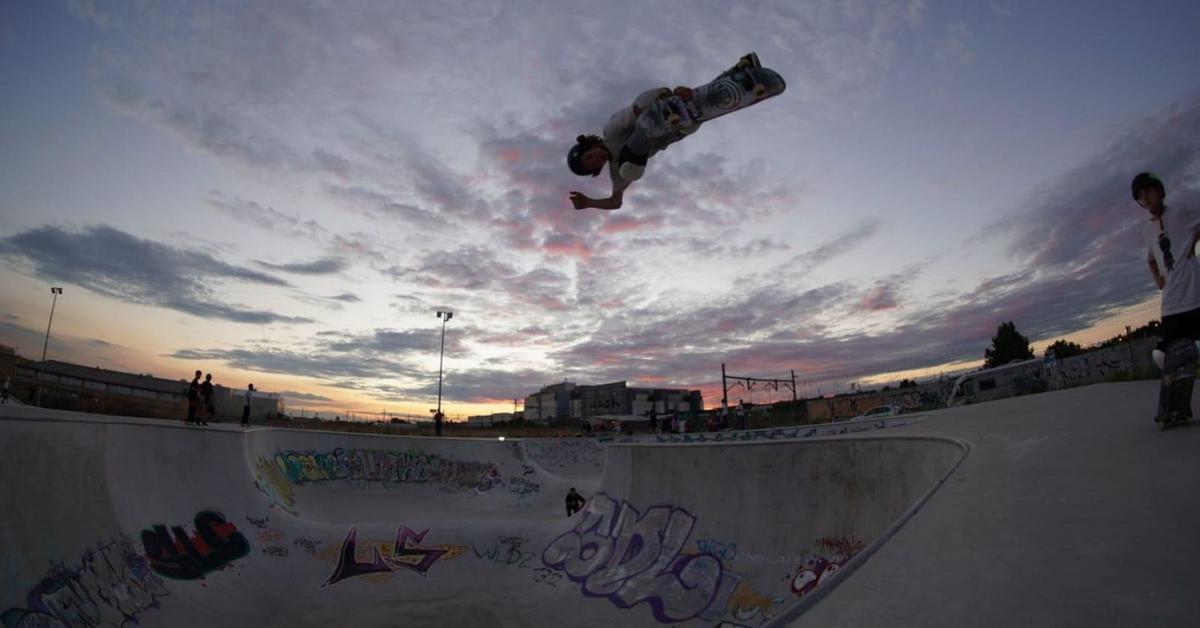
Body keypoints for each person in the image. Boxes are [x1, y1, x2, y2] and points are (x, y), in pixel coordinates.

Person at [567, 53, 762, 211]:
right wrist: (589, 203)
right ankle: (740, 70)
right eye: (593, 163)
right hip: (678, 129)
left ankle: (667, 108)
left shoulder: (611, 131)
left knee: (638, 128)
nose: (597, 158)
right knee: (705, 102)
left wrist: (664, 103)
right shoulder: (616, 171)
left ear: (590, 146)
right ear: (596, 169)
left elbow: (634, 111)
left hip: (653, 104)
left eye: (591, 155)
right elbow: (615, 201)